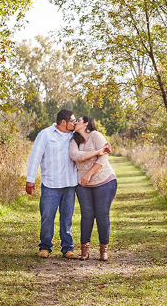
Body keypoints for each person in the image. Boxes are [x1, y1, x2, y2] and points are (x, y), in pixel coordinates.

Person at [25, 109, 79, 258]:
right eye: (72, 121)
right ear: (63, 122)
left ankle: (68, 248)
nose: (74, 123)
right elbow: (35, 157)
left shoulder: (74, 136)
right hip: (50, 184)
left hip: (69, 184)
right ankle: (45, 247)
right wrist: (30, 179)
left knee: (67, 218)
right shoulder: (45, 135)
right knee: (47, 217)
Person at [70, 116, 116, 261]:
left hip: (104, 180)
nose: (75, 122)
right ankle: (85, 250)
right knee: (87, 215)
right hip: (83, 184)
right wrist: (96, 152)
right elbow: (74, 155)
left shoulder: (96, 136)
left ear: (86, 123)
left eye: (78, 119)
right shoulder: (74, 139)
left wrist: (89, 174)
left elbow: (103, 159)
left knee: (102, 215)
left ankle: (104, 250)